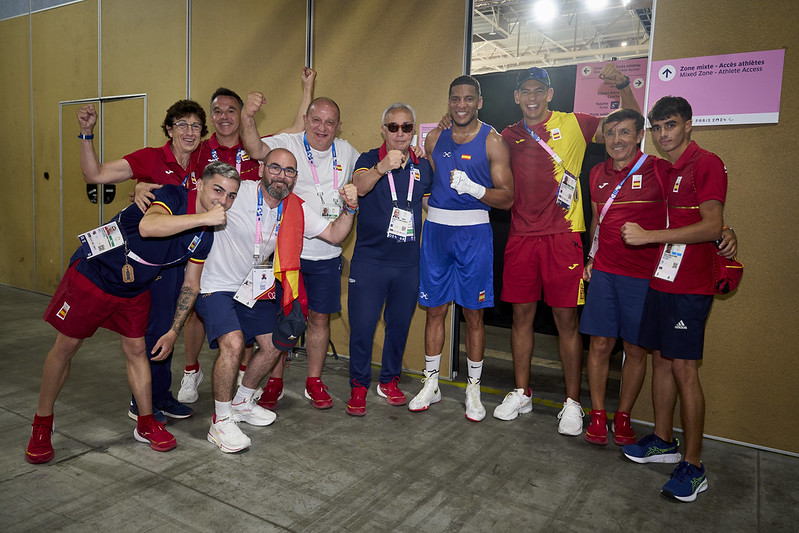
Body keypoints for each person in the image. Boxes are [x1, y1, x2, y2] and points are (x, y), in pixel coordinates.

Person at [25, 161, 240, 464]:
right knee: (68, 345)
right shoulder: (172, 196)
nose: (223, 200)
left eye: (231, 195)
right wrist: (203, 217)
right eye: (218, 190)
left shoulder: (205, 235)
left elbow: (191, 283)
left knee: (138, 348)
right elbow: (148, 226)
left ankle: (146, 421)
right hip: (96, 274)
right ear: (199, 184)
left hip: (134, 288)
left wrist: (173, 330)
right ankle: (42, 423)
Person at [493, 65, 640, 436]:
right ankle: (521, 391)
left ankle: (572, 403)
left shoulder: (576, 123)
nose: (532, 97)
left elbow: (629, 122)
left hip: (564, 236)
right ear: (516, 97)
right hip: (521, 237)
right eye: (525, 91)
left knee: (566, 323)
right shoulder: (507, 136)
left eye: (538, 90)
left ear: (550, 93)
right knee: (521, 319)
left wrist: (623, 85)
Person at [197, 148, 359, 452]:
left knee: (275, 344)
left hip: (253, 288)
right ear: (261, 169)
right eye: (275, 168)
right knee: (232, 344)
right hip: (215, 285)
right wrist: (145, 189)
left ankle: (243, 401)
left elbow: (336, 234)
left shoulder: (295, 207)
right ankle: (219, 422)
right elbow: (201, 193)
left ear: (295, 178)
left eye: (289, 171)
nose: (281, 176)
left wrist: (350, 208)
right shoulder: (239, 192)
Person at [177, 69, 316, 405]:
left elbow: (297, 127)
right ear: (211, 116)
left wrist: (307, 87)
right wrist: (142, 185)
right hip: (204, 237)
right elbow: (173, 176)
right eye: (218, 111)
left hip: (245, 245)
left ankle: (240, 377)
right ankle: (191, 370)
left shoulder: (256, 149)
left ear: (241, 115)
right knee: (197, 307)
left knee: (249, 312)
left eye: (231, 111)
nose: (225, 117)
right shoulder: (199, 149)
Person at [620, 96, 733, 502]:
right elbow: (708, 223)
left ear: (688, 125)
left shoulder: (707, 162)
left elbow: (710, 225)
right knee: (661, 361)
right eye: (657, 127)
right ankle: (664, 441)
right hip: (662, 280)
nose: (663, 134)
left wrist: (650, 237)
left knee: (685, 369)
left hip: (691, 285)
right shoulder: (666, 168)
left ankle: (695, 464)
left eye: (670, 125)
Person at [77, 99, 208, 422]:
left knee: (166, 327)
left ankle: (161, 396)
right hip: (147, 262)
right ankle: (143, 402)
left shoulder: (205, 159)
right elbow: (95, 175)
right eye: (182, 125)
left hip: (182, 258)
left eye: (195, 126)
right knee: (150, 330)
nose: (189, 132)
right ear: (169, 129)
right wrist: (86, 133)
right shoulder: (151, 158)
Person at [240, 93, 359, 410]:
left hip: (327, 254)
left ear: (338, 126)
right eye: (316, 119)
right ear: (305, 120)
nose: (322, 127)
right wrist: (248, 115)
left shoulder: (347, 152)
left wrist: (412, 152)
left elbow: (371, 174)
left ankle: (314, 381)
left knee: (320, 319)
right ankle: (274, 381)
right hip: (285, 255)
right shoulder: (288, 143)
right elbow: (254, 148)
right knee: (279, 321)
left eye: (330, 122)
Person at [408, 75, 513, 422]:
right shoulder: (435, 137)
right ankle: (431, 383)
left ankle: (473, 389)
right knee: (435, 311)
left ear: (479, 102)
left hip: (474, 235)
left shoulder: (493, 141)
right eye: (456, 99)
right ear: (449, 102)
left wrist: (475, 188)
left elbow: (508, 197)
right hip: (438, 233)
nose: (462, 105)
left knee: (473, 315)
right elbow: (433, 182)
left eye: (469, 99)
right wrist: (431, 203)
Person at [579, 109, 669, 446]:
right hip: (604, 272)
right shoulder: (595, 173)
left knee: (635, 349)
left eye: (625, 133)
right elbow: (596, 221)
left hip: (643, 278)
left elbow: (684, 210)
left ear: (639, 135)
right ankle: (599, 415)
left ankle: (625, 415)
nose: (617, 140)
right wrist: (590, 256)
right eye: (612, 133)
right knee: (600, 345)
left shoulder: (658, 170)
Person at [346, 103, 433, 416]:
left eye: (406, 127)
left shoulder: (422, 165)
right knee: (363, 327)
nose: (400, 133)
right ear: (383, 129)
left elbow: (428, 203)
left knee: (398, 326)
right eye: (393, 127)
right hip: (370, 261)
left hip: (407, 263)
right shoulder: (369, 159)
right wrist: (383, 167)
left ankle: (389, 380)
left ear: (412, 130)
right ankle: (358, 385)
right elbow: (360, 186)